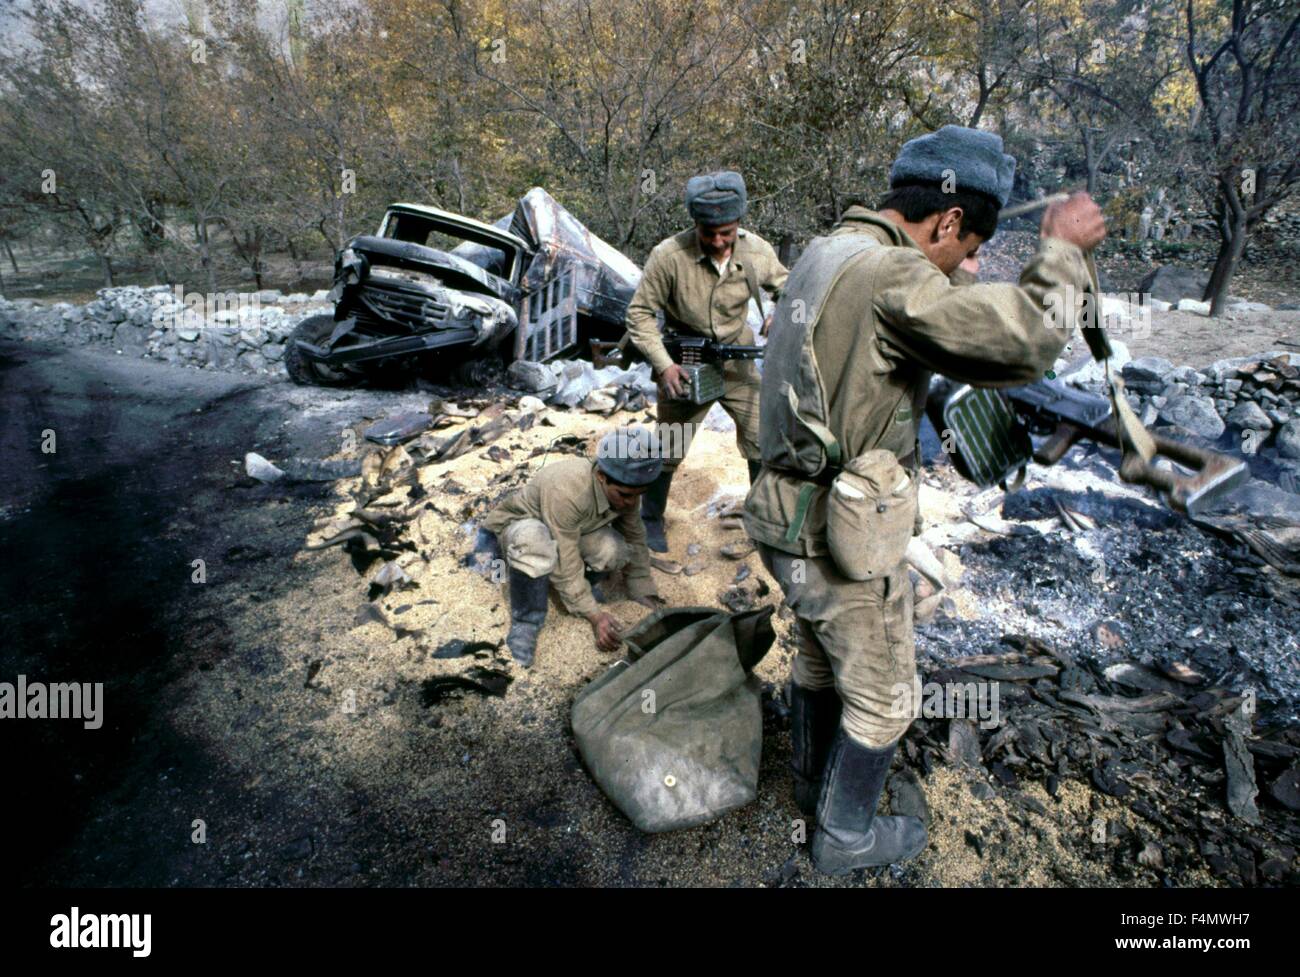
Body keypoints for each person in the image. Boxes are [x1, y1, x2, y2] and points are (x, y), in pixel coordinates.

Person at [744, 125, 1106, 875]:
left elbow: (900, 335)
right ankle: (843, 839)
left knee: (817, 654)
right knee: (885, 694)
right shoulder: (892, 278)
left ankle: (811, 782)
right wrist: (1063, 251)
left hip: (781, 517)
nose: (967, 266)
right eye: (967, 249)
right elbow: (1024, 341)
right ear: (944, 221)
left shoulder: (824, 252)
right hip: (838, 535)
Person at [624, 170, 788, 552]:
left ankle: (763, 521)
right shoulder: (668, 256)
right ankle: (650, 519)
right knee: (670, 445)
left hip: (737, 362)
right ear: (694, 223)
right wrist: (664, 365)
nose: (717, 241)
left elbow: (790, 288)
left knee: (762, 439)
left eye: (726, 232)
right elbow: (639, 314)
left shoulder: (757, 252)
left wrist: (781, 310)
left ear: (739, 224)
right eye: (708, 232)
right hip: (685, 362)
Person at [476, 426, 666, 667]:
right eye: (624, 495)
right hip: (518, 527)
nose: (630, 502)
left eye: (637, 495)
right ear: (600, 476)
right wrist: (595, 615)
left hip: (569, 528)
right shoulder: (567, 491)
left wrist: (641, 587)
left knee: (613, 550)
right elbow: (566, 560)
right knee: (533, 542)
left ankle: (580, 589)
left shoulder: (625, 485)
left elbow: (635, 536)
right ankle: (527, 622)